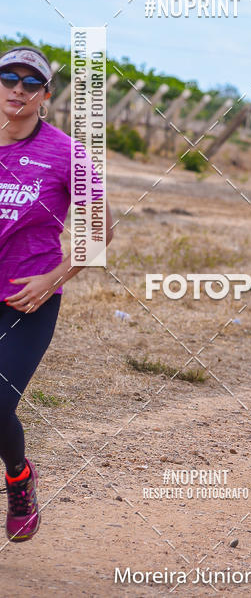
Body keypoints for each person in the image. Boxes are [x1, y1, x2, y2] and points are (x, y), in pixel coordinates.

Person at [0, 45, 113, 541]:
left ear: (46, 95)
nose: (18, 90)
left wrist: (55, 278)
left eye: (31, 83)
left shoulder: (67, 152)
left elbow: (101, 229)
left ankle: (19, 478)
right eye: (9, 78)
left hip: (27, 300)